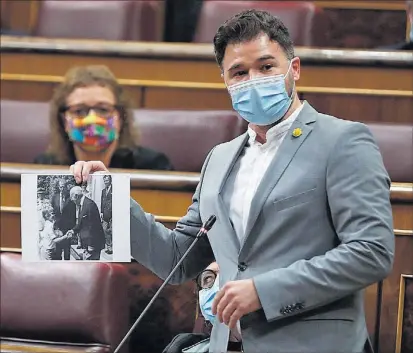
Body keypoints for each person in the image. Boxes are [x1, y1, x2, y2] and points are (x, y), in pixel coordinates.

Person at [71, 9, 394, 353]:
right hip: (228, 344)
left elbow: (371, 252)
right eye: (239, 72)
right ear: (225, 81)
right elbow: (177, 259)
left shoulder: (342, 141)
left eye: (266, 67)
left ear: (293, 69)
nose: (253, 79)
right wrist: (112, 202)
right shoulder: (220, 157)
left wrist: (264, 291)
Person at [34, 65, 174, 170]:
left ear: (120, 117)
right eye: (79, 111)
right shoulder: (45, 166)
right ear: (64, 120)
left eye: (103, 109)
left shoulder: (153, 166)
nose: (92, 119)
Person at [70, 186, 106, 260]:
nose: (73, 202)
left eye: (73, 200)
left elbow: (93, 226)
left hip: (93, 243)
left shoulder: (89, 205)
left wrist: (91, 245)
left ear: (76, 196)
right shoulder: (82, 205)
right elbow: (81, 223)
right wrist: (73, 230)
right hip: (88, 242)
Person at [101, 175, 113, 255]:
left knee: (112, 231)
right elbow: (102, 202)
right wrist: (101, 212)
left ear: (110, 180)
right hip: (105, 214)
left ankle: (112, 247)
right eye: (104, 180)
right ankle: (109, 247)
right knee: (105, 230)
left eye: (107, 180)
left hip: (113, 214)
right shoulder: (103, 191)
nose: (106, 182)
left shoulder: (114, 189)